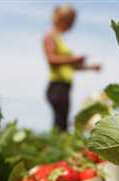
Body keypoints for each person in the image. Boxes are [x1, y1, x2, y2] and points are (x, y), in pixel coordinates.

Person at [43, 4, 101, 132]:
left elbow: (71, 66)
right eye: (69, 21)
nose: (71, 25)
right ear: (61, 19)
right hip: (57, 86)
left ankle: (59, 147)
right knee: (61, 123)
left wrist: (90, 67)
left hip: (63, 86)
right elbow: (51, 59)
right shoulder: (50, 36)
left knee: (62, 121)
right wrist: (73, 59)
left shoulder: (59, 38)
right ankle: (58, 148)